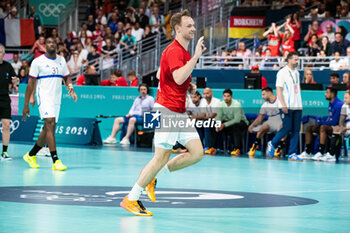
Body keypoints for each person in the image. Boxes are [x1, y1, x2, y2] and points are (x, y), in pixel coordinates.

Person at [120, 10, 206, 216]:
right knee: (160, 157)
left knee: (196, 153)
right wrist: (195, 57)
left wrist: (189, 84)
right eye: (189, 26)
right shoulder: (176, 51)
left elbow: (162, 74)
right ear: (177, 29)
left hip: (178, 111)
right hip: (167, 110)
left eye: (194, 25)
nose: (193, 28)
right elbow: (176, 78)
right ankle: (131, 198)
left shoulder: (180, 53)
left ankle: (153, 177)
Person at [22, 37, 78, 171]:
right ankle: (55, 160)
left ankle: (31, 155)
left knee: (48, 129)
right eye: (49, 42)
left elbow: (66, 76)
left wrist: (71, 88)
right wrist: (26, 104)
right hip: (44, 97)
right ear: (44, 46)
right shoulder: (37, 62)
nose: (51, 44)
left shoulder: (61, 60)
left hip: (56, 99)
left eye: (54, 43)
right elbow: (30, 84)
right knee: (50, 123)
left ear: (57, 46)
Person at [267, 52, 303, 161]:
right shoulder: (282, 72)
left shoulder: (296, 72)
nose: (297, 62)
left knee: (296, 130)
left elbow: (297, 89)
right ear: (289, 60)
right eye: (295, 60)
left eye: (298, 59)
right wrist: (283, 104)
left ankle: (292, 153)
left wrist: (300, 105)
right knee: (287, 128)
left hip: (297, 106)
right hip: (286, 105)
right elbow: (279, 89)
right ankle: (272, 143)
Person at [300, 87, 343, 160]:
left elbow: (334, 122)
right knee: (309, 128)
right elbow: (330, 117)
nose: (325, 94)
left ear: (332, 95)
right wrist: (320, 119)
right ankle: (308, 152)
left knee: (323, 127)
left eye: (327, 93)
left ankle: (321, 152)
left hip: (338, 128)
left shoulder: (338, 105)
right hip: (330, 126)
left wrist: (320, 123)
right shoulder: (330, 103)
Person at [248, 87, 282, 158]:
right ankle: (256, 144)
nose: (262, 97)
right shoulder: (264, 105)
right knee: (263, 127)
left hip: (281, 120)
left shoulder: (280, 100)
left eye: (263, 94)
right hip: (271, 122)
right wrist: (252, 125)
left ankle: (279, 147)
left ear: (269, 93)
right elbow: (260, 118)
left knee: (283, 127)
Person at [216, 89, 249, 157]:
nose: (226, 98)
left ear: (231, 97)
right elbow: (218, 117)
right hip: (229, 122)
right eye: (224, 96)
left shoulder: (237, 104)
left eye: (228, 96)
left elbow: (237, 119)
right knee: (212, 125)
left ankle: (237, 149)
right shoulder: (221, 104)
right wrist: (218, 125)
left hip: (242, 122)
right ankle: (212, 147)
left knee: (236, 126)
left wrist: (224, 125)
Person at [0, 44, 17, 160]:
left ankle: (4, 152)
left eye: (1, 51)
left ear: (4, 54)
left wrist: (17, 80)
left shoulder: (8, 66)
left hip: (5, 99)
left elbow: (16, 79)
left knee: (6, 125)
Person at [329, 91, 350, 162]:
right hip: (347, 126)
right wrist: (341, 128)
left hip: (348, 127)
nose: (344, 99)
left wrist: (346, 128)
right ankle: (332, 155)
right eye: (344, 98)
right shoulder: (344, 106)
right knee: (336, 129)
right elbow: (341, 120)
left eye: (346, 98)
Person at [202, 88, 220, 155]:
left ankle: (207, 147)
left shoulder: (217, 101)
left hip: (216, 121)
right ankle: (200, 146)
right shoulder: (203, 101)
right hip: (206, 120)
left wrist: (204, 117)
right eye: (204, 94)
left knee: (206, 124)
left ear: (211, 93)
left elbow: (213, 115)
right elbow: (203, 113)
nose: (206, 95)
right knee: (197, 125)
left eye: (207, 93)